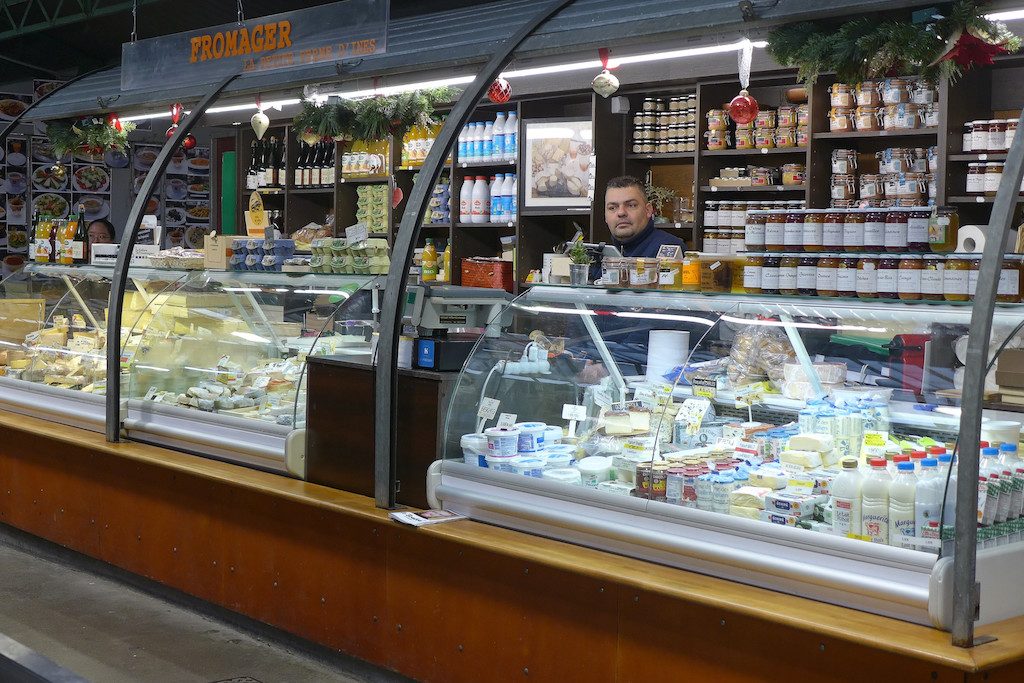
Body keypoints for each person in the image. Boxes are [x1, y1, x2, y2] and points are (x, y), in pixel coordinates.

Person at [604, 175, 685, 257]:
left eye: (631, 205)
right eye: (612, 208)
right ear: (605, 216)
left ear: (648, 210)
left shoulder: (670, 249)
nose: (621, 213)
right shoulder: (597, 255)